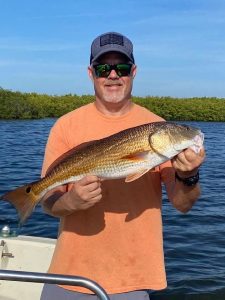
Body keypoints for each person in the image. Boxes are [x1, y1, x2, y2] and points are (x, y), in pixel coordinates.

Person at [40, 32, 205, 300]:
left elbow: (183, 205)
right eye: (103, 68)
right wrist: (71, 202)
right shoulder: (65, 126)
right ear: (91, 73)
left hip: (133, 279)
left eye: (123, 67)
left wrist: (189, 175)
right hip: (68, 276)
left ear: (134, 71)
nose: (113, 75)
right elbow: (48, 201)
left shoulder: (158, 126)